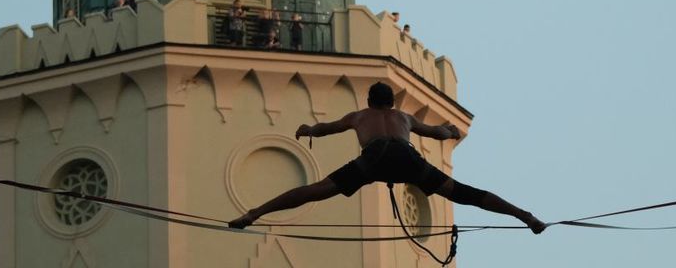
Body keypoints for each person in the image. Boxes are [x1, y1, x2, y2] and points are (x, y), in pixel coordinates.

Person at [228, 82, 546, 234]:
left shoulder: (358, 116)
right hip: (408, 159)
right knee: (465, 194)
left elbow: (327, 128)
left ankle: (255, 213)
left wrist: (309, 128)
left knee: (315, 190)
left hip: (374, 158)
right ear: (392, 103)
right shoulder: (405, 118)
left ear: (369, 101)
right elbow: (436, 132)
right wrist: (449, 131)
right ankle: (524, 215)